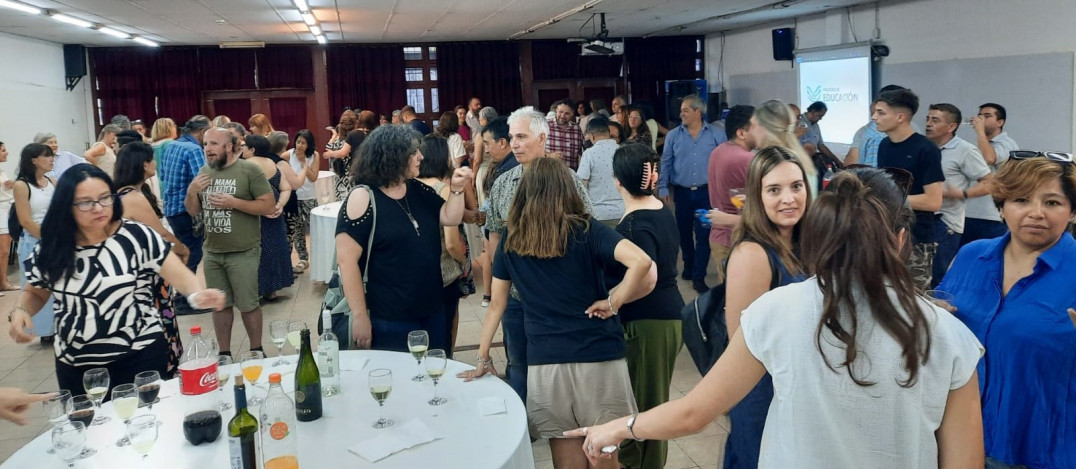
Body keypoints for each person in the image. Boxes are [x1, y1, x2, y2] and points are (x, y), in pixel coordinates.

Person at [571, 166, 986, 469]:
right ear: (900, 241)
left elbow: (692, 413)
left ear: (818, 234)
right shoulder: (949, 336)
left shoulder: (777, 310)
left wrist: (618, 427)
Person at [463, 156, 656, 469]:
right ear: (568, 188)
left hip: (545, 362)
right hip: (599, 357)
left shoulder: (513, 239)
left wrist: (483, 358)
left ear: (525, 192)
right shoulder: (587, 230)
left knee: (566, 462)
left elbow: (497, 304)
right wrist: (614, 301)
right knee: (605, 459)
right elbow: (642, 262)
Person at [8, 164, 225, 395]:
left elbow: (177, 273)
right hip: (75, 363)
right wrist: (21, 309)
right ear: (66, 206)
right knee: (88, 426)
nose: (98, 208)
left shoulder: (135, 235)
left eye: (105, 198)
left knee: (145, 422)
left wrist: (196, 293)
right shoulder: (53, 245)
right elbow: (36, 291)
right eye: (85, 202)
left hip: (139, 353)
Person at [939, 153, 1076, 469]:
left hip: (1044, 447)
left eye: (1053, 203)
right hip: (960, 440)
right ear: (1002, 207)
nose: (1036, 213)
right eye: (1021, 200)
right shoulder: (972, 256)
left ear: (1071, 211)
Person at [484, 106, 593, 402]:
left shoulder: (567, 181)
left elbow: (587, 235)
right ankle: (524, 426)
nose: (514, 144)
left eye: (521, 136)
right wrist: (495, 289)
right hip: (517, 296)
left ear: (543, 137)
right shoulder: (504, 183)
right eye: (511, 137)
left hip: (561, 296)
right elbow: (494, 236)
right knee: (519, 363)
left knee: (562, 366)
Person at [335, 125, 471, 352]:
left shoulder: (417, 190)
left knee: (433, 375)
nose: (421, 157)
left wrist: (456, 190)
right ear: (393, 156)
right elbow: (347, 262)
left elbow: (449, 217)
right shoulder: (364, 197)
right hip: (389, 316)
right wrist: (359, 315)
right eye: (414, 152)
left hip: (431, 308)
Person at [721, 146, 813, 468]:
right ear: (756, 196)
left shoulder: (807, 242)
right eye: (774, 190)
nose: (789, 198)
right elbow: (741, 345)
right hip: (763, 391)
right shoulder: (752, 254)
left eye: (796, 186)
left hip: (799, 387)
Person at [606, 143, 683, 469]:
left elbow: (647, 277)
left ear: (618, 182)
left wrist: (612, 302)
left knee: (646, 405)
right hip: (666, 316)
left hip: (649, 322)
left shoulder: (635, 223)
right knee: (648, 398)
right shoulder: (660, 209)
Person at [185, 128, 276, 357]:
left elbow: (267, 206)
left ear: (229, 146)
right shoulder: (204, 171)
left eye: (214, 144)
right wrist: (192, 191)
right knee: (219, 305)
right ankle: (224, 354)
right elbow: (193, 210)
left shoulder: (249, 170)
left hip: (243, 251)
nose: (208, 149)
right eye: (205, 144)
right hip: (213, 252)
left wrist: (234, 202)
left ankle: (256, 349)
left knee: (248, 304)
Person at [113, 142, 191, 376]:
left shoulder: (124, 192)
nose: (155, 164)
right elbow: (161, 233)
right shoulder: (133, 196)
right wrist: (182, 249)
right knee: (160, 315)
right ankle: (165, 365)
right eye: (152, 159)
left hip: (136, 266)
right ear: (144, 164)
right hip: (148, 269)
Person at [874, 89, 944, 289]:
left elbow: (933, 201)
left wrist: (889, 197)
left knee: (914, 299)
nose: (874, 117)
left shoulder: (926, 149)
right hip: (887, 235)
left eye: (881, 113)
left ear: (900, 117)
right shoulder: (884, 145)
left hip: (917, 239)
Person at [659, 94, 727, 293]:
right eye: (681, 110)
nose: (681, 114)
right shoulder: (673, 136)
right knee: (684, 233)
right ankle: (688, 266)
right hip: (682, 194)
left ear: (698, 112)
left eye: (685, 110)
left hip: (707, 194)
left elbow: (722, 164)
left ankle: (699, 276)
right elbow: (666, 162)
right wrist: (663, 187)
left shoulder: (716, 134)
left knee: (705, 234)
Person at [923, 103, 990, 288]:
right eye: (928, 119)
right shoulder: (923, 147)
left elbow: (990, 182)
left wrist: (961, 193)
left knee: (938, 279)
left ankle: (942, 316)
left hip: (946, 223)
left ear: (952, 126)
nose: (928, 124)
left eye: (935, 120)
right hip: (921, 219)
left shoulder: (965, 150)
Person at [416, 135, 468, 356]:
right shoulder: (444, 190)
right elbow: (452, 242)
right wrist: (464, 263)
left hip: (417, 274)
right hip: (444, 273)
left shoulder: (408, 187)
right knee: (445, 330)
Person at [706, 104, 756, 284]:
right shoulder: (746, 159)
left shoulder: (718, 151)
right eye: (757, 127)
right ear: (741, 133)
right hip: (737, 239)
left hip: (720, 237)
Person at [243, 135, 295, 301]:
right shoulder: (272, 163)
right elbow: (286, 188)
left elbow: (243, 193)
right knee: (273, 250)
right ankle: (271, 290)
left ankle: (256, 290)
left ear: (252, 149)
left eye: (245, 146)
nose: (242, 149)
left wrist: (262, 209)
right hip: (274, 213)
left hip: (254, 216)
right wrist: (279, 205)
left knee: (257, 252)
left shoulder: (246, 165)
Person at [13, 143, 56, 342]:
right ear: (33, 160)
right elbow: (25, 220)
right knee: (37, 287)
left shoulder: (52, 181)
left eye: (52, 156)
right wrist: (47, 237)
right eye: (46, 156)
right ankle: (45, 332)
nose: (51, 159)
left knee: (55, 288)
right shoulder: (22, 185)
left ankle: (57, 327)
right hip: (34, 241)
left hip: (54, 238)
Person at [962, 103, 1019, 246]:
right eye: (980, 116)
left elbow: (990, 158)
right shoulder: (981, 143)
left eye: (987, 116)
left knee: (990, 257)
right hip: (969, 213)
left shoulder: (1007, 144)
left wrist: (980, 132)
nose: (981, 119)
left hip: (991, 216)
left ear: (1000, 122)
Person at [160, 115, 211, 273]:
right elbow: (202, 181)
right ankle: (185, 295)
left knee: (184, 252)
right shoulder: (194, 149)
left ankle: (182, 294)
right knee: (193, 254)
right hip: (186, 210)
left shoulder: (171, 145)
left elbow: (162, 175)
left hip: (171, 208)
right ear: (202, 132)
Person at [577, 116, 624, 228]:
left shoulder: (589, 154)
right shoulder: (623, 150)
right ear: (608, 133)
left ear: (592, 136)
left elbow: (581, 184)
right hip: (623, 211)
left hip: (598, 214)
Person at [285, 130, 320, 274]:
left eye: (303, 143)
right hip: (294, 197)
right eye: (298, 141)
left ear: (309, 144)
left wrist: (302, 162)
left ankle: (318, 259)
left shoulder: (314, 155)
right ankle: (302, 259)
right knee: (297, 230)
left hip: (309, 196)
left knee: (314, 228)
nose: (299, 145)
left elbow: (313, 178)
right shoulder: (289, 154)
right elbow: (277, 163)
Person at [545, 100, 584, 170]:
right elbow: (533, 149)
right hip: (548, 173)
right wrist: (549, 155)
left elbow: (582, 153)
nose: (562, 116)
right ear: (556, 110)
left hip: (570, 175)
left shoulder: (576, 129)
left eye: (567, 113)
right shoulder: (544, 125)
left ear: (572, 114)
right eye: (561, 112)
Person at [0, 142, 13, 293]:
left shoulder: (2, 171)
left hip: (7, 209)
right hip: (1, 210)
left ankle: (4, 281)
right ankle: (3, 282)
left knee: (5, 250)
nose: (7, 153)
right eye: (3, 150)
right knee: (3, 250)